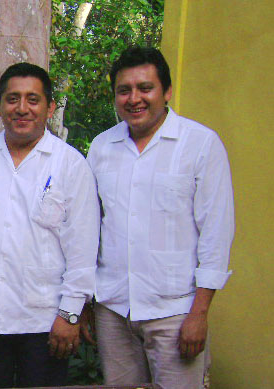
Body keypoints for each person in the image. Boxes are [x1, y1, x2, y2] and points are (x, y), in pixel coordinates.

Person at [84, 46, 234, 389]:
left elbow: (216, 232)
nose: (134, 98)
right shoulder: (101, 148)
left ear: (166, 92)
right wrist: (89, 301)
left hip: (176, 311)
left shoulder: (200, 144)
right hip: (114, 310)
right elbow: (90, 228)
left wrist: (199, 313)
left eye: (145, 88)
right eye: (124, 90)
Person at [0, 62, 100, 388]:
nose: (22, 108)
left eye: (33, 99)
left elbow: (83, 248)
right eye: (12, 99)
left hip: (46, 322)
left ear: (49, 107)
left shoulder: (70, 164)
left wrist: (70, 315)